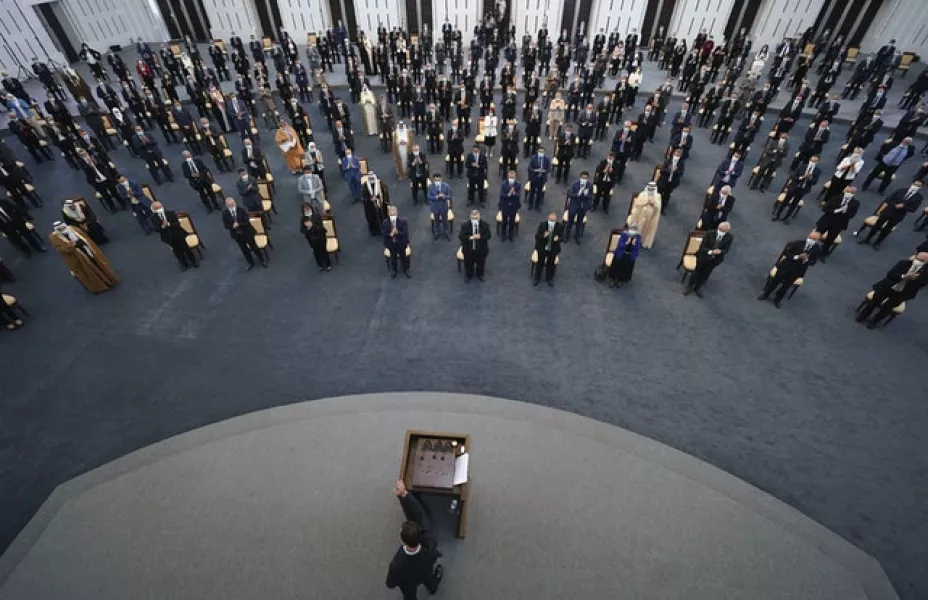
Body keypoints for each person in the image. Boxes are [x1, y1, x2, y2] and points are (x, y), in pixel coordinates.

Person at [385, 479, 443, 598]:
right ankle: (432, 587)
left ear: (403, 541)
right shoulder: (429, 541)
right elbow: (421, 514)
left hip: (408, 583)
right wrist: (404, 493)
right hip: (425, 571)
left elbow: (390, 584)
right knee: (429, 579)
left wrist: (403, 494)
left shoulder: (397, 563)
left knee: (410, 597)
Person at [856, 252, 928, 328]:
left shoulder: (926, 273)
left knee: (887, 308)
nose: (918, 261)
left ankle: (874, 321)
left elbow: (920, 285)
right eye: (917, 259)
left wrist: (914, 279)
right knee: (874, 301)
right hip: (888, 287)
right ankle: (863, 315)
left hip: (902, 293)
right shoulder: (904, 263)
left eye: (922, 261)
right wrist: (904, 276)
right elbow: (890, 274)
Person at [49, 221, 119, 293]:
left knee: (98, 264)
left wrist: (82, 243)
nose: (61, 228)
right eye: (59, 227)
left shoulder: (73, 229)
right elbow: (61, 249)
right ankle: (100, 286)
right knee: (89, 271)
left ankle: (110, 280)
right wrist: (73, 245)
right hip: (77, 257)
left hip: (86, 250)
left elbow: (85, 238)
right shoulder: (54, 237)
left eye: (62, 226)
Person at [758, 232, 824, 307]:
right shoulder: (797, 243)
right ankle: (766, 295)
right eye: (811, 237)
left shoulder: (817, 249)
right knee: (775, 281)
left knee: (786, 286)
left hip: (798, 271)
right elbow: (787, 252)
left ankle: (777, 299)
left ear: (817, 240)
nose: (811, 240)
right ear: (808, 236)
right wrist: (796, 257)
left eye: (814, 239)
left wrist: (806, 260)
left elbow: (813, 262)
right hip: (786, 266)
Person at [858, 180, 924, 249]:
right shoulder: (901, 190)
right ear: (912, 184)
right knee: (877, 225)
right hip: (888, 211)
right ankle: (867, 239)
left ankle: (877, 243)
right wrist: (895, 205)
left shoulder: (919, 197)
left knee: (887, 230)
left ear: (921, 187)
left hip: (898, 215)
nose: (915, 186)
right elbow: (889, 199)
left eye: (918, 185)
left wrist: (903, 207)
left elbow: (913, 209)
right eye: (915, 184)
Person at [684, 222, 732, 297]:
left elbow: (726, 250)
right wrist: (711, 252)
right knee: (697, 271)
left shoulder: (729, 237)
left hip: (715, 259)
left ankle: (698, 287)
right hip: (703, 256)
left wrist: (720, 251)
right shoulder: (709, 233)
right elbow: (702, 247)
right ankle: (689, 286)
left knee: (706, 274)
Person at [149, 201, 199, 271]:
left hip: (178, 234)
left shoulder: (171, 213)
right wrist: (162, 227)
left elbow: (177, 223)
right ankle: (184, 264)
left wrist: (168, 224)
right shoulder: (153, 218)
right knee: (177, 251)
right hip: (168, 237)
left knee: (186, 248)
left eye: (160, 207)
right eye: (157, 208)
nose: (160, 209)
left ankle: (193, 261)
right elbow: (155, 229)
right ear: (154, 210)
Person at [221, 196, 266, 270]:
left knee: (254, 247)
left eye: (233, 204)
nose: (232, 206)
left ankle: (262, 260)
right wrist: (232, 226)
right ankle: (250, 262)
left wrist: (238, 224)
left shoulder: (241, 210)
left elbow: (246, 221)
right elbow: (226, 225)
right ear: (226, 205)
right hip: (237, 235)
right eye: (230, 205)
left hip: (247, 232)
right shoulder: (224, 214)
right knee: (244, 249)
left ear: (234, 202)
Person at [816, 186, 859, 254]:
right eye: (848, 191)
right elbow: (824, 208)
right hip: (827, 220)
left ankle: (823, 252)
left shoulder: (855, 203)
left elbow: (852, 215)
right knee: (816, 234)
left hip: (839, 224)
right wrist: (835, 211)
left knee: (830, 240)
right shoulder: (836, 197)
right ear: (845, 191)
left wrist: (845, 212)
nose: (849, 193)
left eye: (852, 192)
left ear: (854, 194)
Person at [533, 211, 564, 286]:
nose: (551, 222)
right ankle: (537, 278)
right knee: (540, 263)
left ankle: (549, 278)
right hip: (542, 248)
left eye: (553, 221)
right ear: (547, 219)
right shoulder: (542, 225)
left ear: (556, 220)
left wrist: (558, 238)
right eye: (550, 220)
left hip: (553, 249)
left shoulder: (560, 226)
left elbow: (563, 237)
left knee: (551, 264)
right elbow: (537, 236)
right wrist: (543, 236)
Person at [459, 209, 491, 281]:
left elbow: (488, 236)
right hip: (469, 249)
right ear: (470, 217)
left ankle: (480, 274)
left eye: (476, 218)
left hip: (481, 249)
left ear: (479, 217)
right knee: (468, 263)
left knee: (481, 263)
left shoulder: (485, 225)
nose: (474, 219)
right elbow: (461, 236)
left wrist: (480, 237)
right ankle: (469, 275)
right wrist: (470, 237)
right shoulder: (465, 225)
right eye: (473, 218)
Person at [608, 220, 641, 288]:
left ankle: (621, 279)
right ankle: (613, 279)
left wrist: (633, 244)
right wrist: (626, 243)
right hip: (621, 253)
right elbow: (620, 245)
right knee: (617, 265)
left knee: (626, 266)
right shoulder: (624, 234)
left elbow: (637, 248)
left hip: (629, 255)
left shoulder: (638, 237)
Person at [299, 201, 331, 272]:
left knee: (324, 251)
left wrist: (312, 225)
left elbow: (320, 227)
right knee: (316, 252)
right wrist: (307, 228)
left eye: (308, 209)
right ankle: (320, 265)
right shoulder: (303, 219)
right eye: (305, 210)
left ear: (311, 208)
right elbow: (302, 230)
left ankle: (328, 264)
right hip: (311, 239)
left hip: (320, 237)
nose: (307, 211)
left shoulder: (317, 216)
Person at [629, 182, 662, 248]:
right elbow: (637, 204)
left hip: (651, 216)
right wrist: (645, 203)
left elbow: (658, 207)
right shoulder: (642, 194)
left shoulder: (658, 196)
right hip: (640, 214)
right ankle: (634, 240)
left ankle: (643, 240)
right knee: (639, 227)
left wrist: (653, 204)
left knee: (647, 228)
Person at [382, 205, 411, 278]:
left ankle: (406, 270)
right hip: (391, 244)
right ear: (388, 214)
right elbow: (384, 234)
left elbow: (404, 233)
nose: (393, 215)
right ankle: (394, 270)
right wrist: (391, 234)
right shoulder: (385, 222)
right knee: (393, 258)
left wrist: (397, 232)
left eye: (394, 214)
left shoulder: (403, 221)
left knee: (403, 257)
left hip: (401, 243)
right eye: (391, 214)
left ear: (397, 213)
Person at [564, 172, 592, 242]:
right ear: (580, 177)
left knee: (579, 223)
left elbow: (591, 197)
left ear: (587, 178)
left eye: (585, 178)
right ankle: (566, 236)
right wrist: (578, 194)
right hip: (574, 206)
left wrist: (586, 195)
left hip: (583, 207)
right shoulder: (575, 184)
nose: (584, 179)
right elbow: (570, 195)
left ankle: (577, 237)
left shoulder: (590, 186)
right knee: (570, 222)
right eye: (583, 177)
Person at [362, 171, 390, 236]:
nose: (371, 179)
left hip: (381, 204)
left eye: (372, 177)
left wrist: (379, 197)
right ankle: (376, 231)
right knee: (373, 218)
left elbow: (385, 192)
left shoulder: (380, 183)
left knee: (383, 216)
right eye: (370, 178)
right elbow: (363, 197)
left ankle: (385, 228)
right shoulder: (365, 186)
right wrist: (370, 199)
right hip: (371, 206)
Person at [498, 170, 522, 241]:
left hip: (514, 206)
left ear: (515, 177)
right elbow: (502, 195)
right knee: (504, 221)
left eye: (513, 177)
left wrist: (513, 193)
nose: (511, 178)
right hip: (505, 205)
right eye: (510, 177)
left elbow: (519, 195)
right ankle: (503, 235)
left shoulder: (518, 185)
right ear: (508, 177)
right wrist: (509, 194)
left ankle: (511, 234)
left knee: (512, 222)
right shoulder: (504, 184)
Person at [428, 173, 452, 241]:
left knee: (445, 220)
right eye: (436, 180)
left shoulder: (446, 186)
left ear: (441, 179)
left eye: (439, 180)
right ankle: (437, 233)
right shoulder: (430, 187)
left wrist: (444, 196)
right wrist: (436, 197)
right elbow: (429, 197)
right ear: (433, 180)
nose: (437, 181)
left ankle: (446, 232)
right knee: (436, 220)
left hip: (443, 207)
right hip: (435, 207)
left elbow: (449, 196)